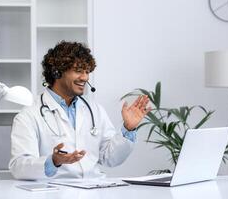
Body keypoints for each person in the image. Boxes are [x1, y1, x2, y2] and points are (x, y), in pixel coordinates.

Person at [9, 41, 150, 180]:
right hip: (55, 191)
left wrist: (128, 129)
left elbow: (110, 158)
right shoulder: (29, 115)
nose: (85, 77)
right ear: (57, 72)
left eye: (87, 72)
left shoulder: (94, 110)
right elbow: (19, 167)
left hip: (94, 188)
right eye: (78, 71)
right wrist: (53, 161)